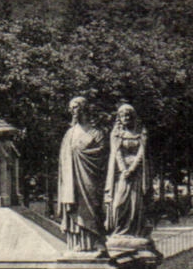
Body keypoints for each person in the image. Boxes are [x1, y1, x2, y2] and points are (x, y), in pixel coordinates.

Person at [57, 97, 106, 252]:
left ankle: (94, 242)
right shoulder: (69, 133)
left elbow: (102, 154)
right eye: (71, 108)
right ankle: (77, 242)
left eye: (76, 107)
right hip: (72, 180)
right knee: (75, 208)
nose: (73, 110)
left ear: (84, 108)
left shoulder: (97, 133)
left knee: (91, 208)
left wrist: (80, 152)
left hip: (89, 179)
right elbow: (63, 159)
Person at [105, 103, 150, 244]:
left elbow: (142, 153)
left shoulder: (141, 132)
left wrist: (132, 169)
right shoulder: (116, 133)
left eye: (128, 115)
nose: (126, 118)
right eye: (123, 115)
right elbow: (116, 151)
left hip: (136, 173)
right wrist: (124, 169)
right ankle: (119, 230)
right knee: (119, 203)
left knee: (135, 203)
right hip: (121, 174)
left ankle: (134, 231)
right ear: (119, 118)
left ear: (133, 117)